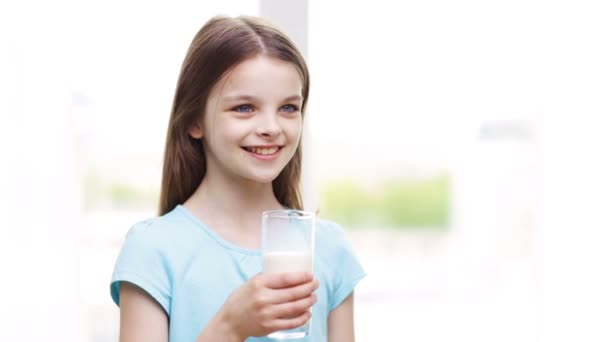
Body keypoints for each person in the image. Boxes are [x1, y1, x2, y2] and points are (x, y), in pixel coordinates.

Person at [110, 15, 365, 342]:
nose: (271, 127)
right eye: (244, 108)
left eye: (288, 108)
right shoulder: (153, 250)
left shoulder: (329, 248)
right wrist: (230, 327)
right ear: (194, 122)